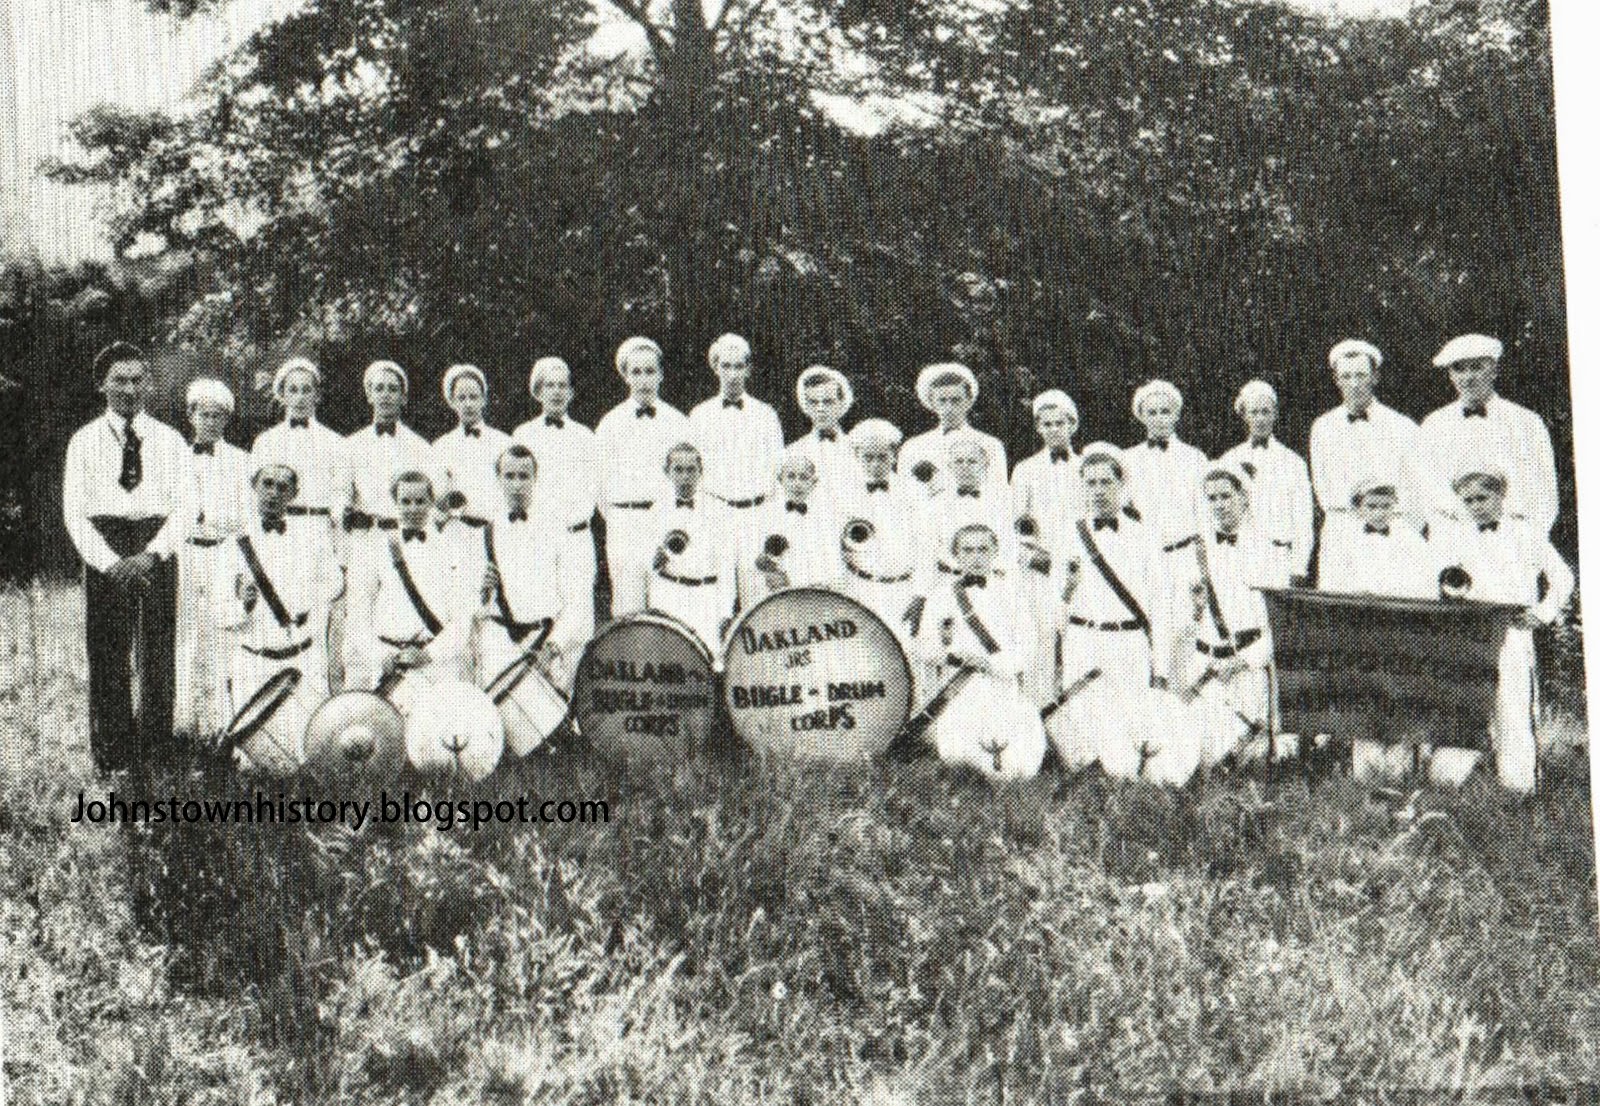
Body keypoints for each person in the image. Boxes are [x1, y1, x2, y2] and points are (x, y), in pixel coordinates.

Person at [63, 342, 196, 770]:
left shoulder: (170, 439)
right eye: (119, 379)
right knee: (108, 651)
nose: (129, 388)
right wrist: (109, 562)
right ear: (102, 385)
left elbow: (186, 505)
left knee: (158, 650)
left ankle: (156, 746)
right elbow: (74, 511)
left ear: (150, 386)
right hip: (106, 544)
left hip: (155, 544)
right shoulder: (83, 441)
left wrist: (152, 553)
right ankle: (114, 752)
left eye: (138, 379)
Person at [1433, 464, 1573, 792]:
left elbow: (1563, 577)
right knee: (1465, 705)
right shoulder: (1457, 535)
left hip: (1512, 632)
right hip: (1472, 631)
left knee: (1513, 706)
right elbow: (1443, 580)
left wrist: (1542, 613)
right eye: (1467, 501)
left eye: (1482, 498)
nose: (1475, 506)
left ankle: (1518, 786)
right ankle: (1450, 782)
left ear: (1501, 496)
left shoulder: (1527, 532)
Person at [1046, 444, 1163, 775]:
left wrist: (1161, 664)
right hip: (1084, 636)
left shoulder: (1144, 536)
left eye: (1105, 482)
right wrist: (1066, 591)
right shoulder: (1067, 534)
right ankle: (1085, 786)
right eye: (1091, 483)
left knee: (1128, 717)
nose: (1098, 491)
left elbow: (1159, 603)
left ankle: (1126, 785)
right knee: (1083, 717)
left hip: (1128, 639)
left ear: (1121, 485)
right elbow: (1055, 604)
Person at [214, 463, 342, 764]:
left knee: (313, 751)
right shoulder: (233, 546)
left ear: (294, 494)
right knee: (256, 762)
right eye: (267, 484)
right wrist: (242, 603)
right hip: (255, 661)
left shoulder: (312, 537)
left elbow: (335, 582)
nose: (273, 493)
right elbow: (220, 611)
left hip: (303, 658)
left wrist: (302, 602)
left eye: (283, 487)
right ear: (254, 488)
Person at [1164, 463, 1277, 769]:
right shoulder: (1193, 552)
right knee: (1204, 762)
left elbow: (1280, 626)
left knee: (1249, 760)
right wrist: (1195, 610)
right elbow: (1181, 620)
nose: (1219, 505)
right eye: (1212, 498)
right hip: (1207, 668)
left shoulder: (1269, 551)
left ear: (1244, 497)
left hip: (1246, 668)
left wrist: (1242, 662)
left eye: (1226, 496)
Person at [913, 524, 1045, 780]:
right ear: (956, 555)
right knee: (960, 759)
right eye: (968, 550)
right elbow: (923, 646)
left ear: (995, 552)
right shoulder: (940, 596)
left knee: (1012, 761)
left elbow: (1027, 646)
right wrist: (952, 655)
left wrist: (992, 663)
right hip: (958, 687)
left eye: (983, 550)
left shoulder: (1013, 593)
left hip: (1001, 685)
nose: (975, 557)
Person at [344, 470, 479, 717]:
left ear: (431, 502)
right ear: (395, 502)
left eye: (420, 501)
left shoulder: (453, 550)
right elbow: (358, 617)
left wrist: (429, 654)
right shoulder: (374, 550)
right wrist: (383, 655)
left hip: (436, 666)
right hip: (391, 666)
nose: (413, 508)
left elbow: (462, 617)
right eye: (406, 501)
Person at [1415, 334, 1559, 538]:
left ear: (1494, 370)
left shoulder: (1526, 422)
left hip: (1516, 542)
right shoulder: (1434, 425)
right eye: (1459, 369)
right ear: (1450, 375)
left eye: (1476, 367)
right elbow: (1428, 490)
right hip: (1455, 542)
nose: (1468, 377)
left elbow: (1544, 492)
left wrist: (1525, 541)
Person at [475, 445, 589, 693]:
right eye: (509, 476)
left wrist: (552, 648)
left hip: (545, 646)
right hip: (500, 649)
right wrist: (481, 593)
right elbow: (469, 608)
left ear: (535, 479)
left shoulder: (559, 531)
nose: (517, 485)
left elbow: (576, 602)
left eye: (524, 476)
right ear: (498, 480)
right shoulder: (483, 534)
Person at [175, 378, 252, 738]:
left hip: (225, 553)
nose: (210, 422)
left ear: (227, 420)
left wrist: (243, 568)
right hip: (185, 552)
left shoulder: (242, 461)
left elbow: (247, 519)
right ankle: (185, 723)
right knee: (187, 633)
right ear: (191, 416)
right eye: (204, 415)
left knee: (225, 630)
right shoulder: (173, 458)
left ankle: (223, 723)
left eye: (218, 416)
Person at [595, 337, 691, 616]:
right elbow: (601, 485)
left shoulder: (677, 422)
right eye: (636, 372)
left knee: (668, 600)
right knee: (628, 604)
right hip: (624, 524)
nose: (644, 379)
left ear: (661, 374)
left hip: (665, 521)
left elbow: (688, 478)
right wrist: (621, 516)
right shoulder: (610, 424)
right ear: (625, 376)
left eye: (650, 371)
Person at [513, 355, 600, 645]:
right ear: (538, 392)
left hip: (577, 538)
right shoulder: (523, 435)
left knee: (580, 618)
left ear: (572, 392)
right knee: (541, 612)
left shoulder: (586, 436)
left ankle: (575, 688)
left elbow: (596, 488)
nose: (557, 392)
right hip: (539, 538)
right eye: (549, 385)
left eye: (563, 385)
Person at [1307, 339, 1422, 528]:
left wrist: (1402, 534)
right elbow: (1323, 488)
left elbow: (1416, 490)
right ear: (1336, 380)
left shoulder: (1402, 427)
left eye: (1361, 375)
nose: (1354, 384)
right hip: (1343, 530)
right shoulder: (1323, 428)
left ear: (1375, 377)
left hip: (1392, 529)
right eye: (1346, 376)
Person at [839, 419, 923, 676]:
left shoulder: (914, 492)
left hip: (903, 590)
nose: (876, 464)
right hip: (860, 589)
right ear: (856, 456)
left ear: (894, 455)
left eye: (882, 457)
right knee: (862, 661)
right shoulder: (843, 494)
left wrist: (920, 594)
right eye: (868, 457)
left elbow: (925, 546)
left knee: (907, 661)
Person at [642, 443, 737, 656]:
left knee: (709, 660)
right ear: (667, 472)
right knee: (668, 661)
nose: (685, 477)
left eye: (691, 470)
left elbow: (727, 566)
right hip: (669, 595)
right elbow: (649, 566)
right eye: (678, 470)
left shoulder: (720, 510)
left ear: (701, 471)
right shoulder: (656, 510)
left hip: (706, 598)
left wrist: (725, 612)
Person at [1220, 380, 1314, 584]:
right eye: (1254, 412)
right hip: (1241, 558)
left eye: (1266, 412)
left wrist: (1298, 567)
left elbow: (1303, 519)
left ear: (1275, 414)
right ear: (1244, 415)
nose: (1260, 419)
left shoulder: (1293, 462)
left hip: (1279, 558)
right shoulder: (1230, 459)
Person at [341, 360, 439, 537]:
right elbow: (341, 493)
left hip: (407, 537)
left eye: (393, 389)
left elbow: (430, 499)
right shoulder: (351, 445)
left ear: (403, 397)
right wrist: (346, 514)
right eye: (379, 388)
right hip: (366, 538)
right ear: (369, 395)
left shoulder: (420, 447)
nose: (385, 395)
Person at [689, 333, 784, 517]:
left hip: (757, 512)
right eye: (726, 366)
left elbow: (778, 467)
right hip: (714, 512)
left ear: (748, 369)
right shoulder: (700, 415)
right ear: (716, 367)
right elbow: (693, 467)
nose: (732, 375)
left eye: (739, 366)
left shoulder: (766, 414)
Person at [250, 357, 348, 529]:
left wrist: (336, 518)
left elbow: (342, 491)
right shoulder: (265, 441)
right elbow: (254, 493)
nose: (300, 398)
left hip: (319, 529)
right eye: (293, 390)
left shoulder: (335, 442)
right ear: (282, 395)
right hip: (278, 528)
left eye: (306, 390)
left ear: (317, 395)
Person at [738, 452, 842, 607]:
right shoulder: (763, 518)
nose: (797, 484)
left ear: (814, 482)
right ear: (781, 480)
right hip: (778, 601)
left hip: (816, 600)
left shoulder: (826, 520)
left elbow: (833, 563)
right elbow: (751, 567)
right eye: (791, 476)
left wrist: (822, 586)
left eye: (804, 477)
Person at [897, 362, 1007, 498]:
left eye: (956, 400)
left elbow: (998, 494)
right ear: (932, 402)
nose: (949, 408)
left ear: (968, 401)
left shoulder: (990, 445)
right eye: (942, 400)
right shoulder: (914, 447)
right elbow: (905, 496)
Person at [916, 438, 1018, 585]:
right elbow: (927, 552)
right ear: (950, 466)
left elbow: (1010, 545)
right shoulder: (936, 504)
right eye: (959, 461)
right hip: (948, 582)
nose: (965, 467)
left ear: (985, 465)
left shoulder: (1003, 502)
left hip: (994, 584)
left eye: (972, 461)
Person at [1316, 477, 1436, 599]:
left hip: (1396, 608)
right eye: (1371, 506)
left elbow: (1423, 580)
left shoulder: (1410, 539)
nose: (1379, 513)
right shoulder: (1344, 539)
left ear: (1394, 505)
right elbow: (1332, 580)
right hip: (1355, 607)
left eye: (1386, 506)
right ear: (1359, 509)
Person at [1122, 379, 1207, 548]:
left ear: (1176, 415)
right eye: (1152, 413)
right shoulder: (1128, 459)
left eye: (1165, 412)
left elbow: (1205, 510)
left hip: (1188, 553)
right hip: (1146, 553)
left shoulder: (1195, 458)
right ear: (1142, 417)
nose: (1159, 418)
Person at [432, 363, 511, 525]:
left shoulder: (503, 442)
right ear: (452, 402)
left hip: (496, 528)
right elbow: (436, 496)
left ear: (484, 399)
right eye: (461, 398)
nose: (468, 404)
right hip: (457, 533)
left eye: (473, 397)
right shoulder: (441, 446)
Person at [787, 365, 863, 518]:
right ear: (805, 406)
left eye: (828, 402)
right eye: (814, 402)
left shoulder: (859, 449)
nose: (821, 408)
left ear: (842, 403)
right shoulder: (792, 452)